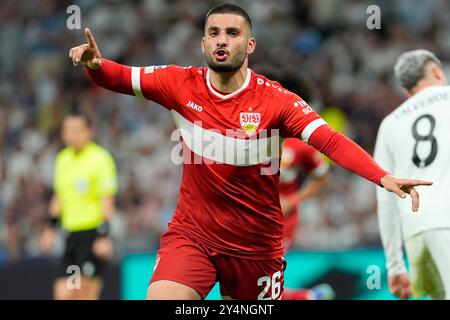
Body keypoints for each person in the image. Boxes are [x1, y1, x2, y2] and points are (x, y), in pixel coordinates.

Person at [69, 3, 431, 300]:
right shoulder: (178, 83)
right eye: (213, 33)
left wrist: (381, 176)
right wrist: (95, 65)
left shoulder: (277, 101)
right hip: (193, 236)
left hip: (256, 248)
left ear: (250, 45)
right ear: (203, 43)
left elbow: (330, 141)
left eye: (232, 33)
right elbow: (116, 77)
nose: (221, 41)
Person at [374, 49, 450, 300]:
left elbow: (385, 197)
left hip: (415, 230)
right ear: (437, 72)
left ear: (407, 90)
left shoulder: (390, 123)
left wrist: (394, 264)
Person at [40, 112, 118, 300]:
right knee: (63, 293)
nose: (72, 135)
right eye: (68, 131)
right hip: (70, 236)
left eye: (77, 131)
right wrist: (50, 228)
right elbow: (59, 196)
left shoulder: (100, 158)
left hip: (91, 235)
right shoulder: (62, 159)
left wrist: (103, 235)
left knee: (84, 294)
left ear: (89, 132)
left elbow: (107, 200)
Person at [279, 138, 335, 300]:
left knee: (264, 281)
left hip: (282, 220)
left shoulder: (298, 145)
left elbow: (323, 178)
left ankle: (310, 296)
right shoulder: (248, 135)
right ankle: (312, 297)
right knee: (251, 284)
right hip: (248, 218)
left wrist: (293, 200)